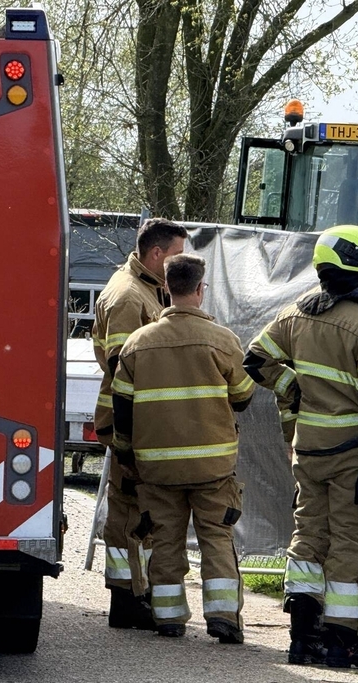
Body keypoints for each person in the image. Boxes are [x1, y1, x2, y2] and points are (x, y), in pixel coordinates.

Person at [244, 226, 358, 671]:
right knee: (350, 544)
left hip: (307, 450)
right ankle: (345, 643)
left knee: (307, 539)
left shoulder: (296, 314)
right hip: (352, 454)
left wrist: (293, 388)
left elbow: (254, 358)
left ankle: (303, 638)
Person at [111, 253, 255, 643]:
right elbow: (243, 397)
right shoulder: (222, 340)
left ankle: (169, 618)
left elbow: (121, 410)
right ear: (200, 290)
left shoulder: (138, 344)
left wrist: (126, 454)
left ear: (166, 288)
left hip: (157, 469)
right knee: (217, 539)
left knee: (166, 539)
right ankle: (223, 616)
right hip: (213, 468)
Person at [91, 217, 187, 629]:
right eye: (178, 256)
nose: (183, 264)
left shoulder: (145, 288)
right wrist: (131, 436)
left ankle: (134, 593)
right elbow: (125, 371)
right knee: (129, 512)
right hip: (131, 422)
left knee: (136, 510)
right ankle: (126, 600)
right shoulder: (130, 297)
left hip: (139, 420)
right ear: (156, 254)